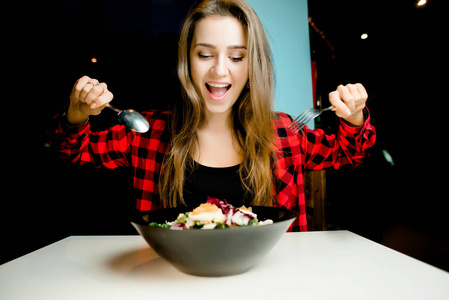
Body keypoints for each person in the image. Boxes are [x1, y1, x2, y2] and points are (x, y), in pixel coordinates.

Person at [51, 0, 376, 232]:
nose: (220, 70)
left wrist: (355, 116)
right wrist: (77, 113)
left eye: (236, 56)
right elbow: (71, 151)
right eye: (205, 54)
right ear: (187, 61)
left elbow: (351, 153)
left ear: (252, 66)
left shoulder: (284, 131)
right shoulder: (148, 132)